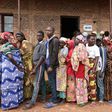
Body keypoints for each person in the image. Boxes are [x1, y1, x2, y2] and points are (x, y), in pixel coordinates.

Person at [0, 32, 24, 110]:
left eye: (1, 38)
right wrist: (18, 66)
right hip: (15, 70)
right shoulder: (13, 46)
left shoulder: (4, 46)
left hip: (8, 70)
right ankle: (17, 101)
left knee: (7, 86)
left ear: (4, 39)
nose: (0, 40)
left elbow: (10, 57)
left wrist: (18, 66)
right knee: (16, 84)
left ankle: (8, 104)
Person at [24, 31, 46, 109]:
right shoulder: (38, 44)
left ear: (43, 36)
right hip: (36, 65)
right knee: (42, 82)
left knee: (36, 83)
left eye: (40, 35)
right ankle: (43, 98)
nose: (38, 37)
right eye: (37, 35)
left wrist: (35, 68)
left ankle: (32, 102)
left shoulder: (43, 44)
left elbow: (42, 57)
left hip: (39, 66)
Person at [71, 35, 90, 106]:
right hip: (81, 67)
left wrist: (74, 59)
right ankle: (84, 99)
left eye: (76, 39)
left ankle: (80, 101)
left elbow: (81, 58)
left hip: (79, 67)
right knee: (83, 84)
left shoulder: (80, 46)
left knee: (80, 85)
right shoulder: (82, 46)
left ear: (79, 40)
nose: (75, 40)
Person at [44, 27, 59, 108]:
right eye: (46, 30)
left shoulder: (55, 40)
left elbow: (54, 54)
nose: (47, 31)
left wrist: (51, 66)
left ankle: (54, 100)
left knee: (53, 82)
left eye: (49, 30)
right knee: (51, 81)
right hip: (47, 63)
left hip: (51, 65)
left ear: (53, 31)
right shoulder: (49, 40)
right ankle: (54, 97)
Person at [86, 34, 100, 105]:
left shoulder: (96, 47)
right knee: (86, 82)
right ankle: (87, 97)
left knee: (92, 83)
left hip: (92, 65)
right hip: (85, 65)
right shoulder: (85, 46)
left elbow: (97, 58)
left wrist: (94, 68)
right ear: (88, 39)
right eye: (92, 39)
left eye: (94, 39)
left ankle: (93, 99)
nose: (93, 40)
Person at [56, 37, 68, 104]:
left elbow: (64, 58)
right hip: (58, 68)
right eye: (60, 42)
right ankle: (59, 97)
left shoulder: (65, 49)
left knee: (63, 83)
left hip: (63, 68)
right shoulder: (59, 49)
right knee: (58, 82)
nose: (60, 44)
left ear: (65, 43)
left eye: (62, 43)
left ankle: (63, 98)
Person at [96, 39, 107, 103]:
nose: (97, 43)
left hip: (100, 70)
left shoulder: (102, 49)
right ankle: (98, 97)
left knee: (100, 84)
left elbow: (104, 60)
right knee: (98, 84)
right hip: (97, 69)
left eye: (98, 42)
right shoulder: (98, 48)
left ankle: (101, 98)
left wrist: (102, 70)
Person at [103, 37, 112, 104]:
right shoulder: (104, 47)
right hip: (106, 67)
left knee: (109, 82)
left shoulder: (108, 47)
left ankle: (109, 98)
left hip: (109, 66)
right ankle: (107, 97)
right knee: (106, 82)